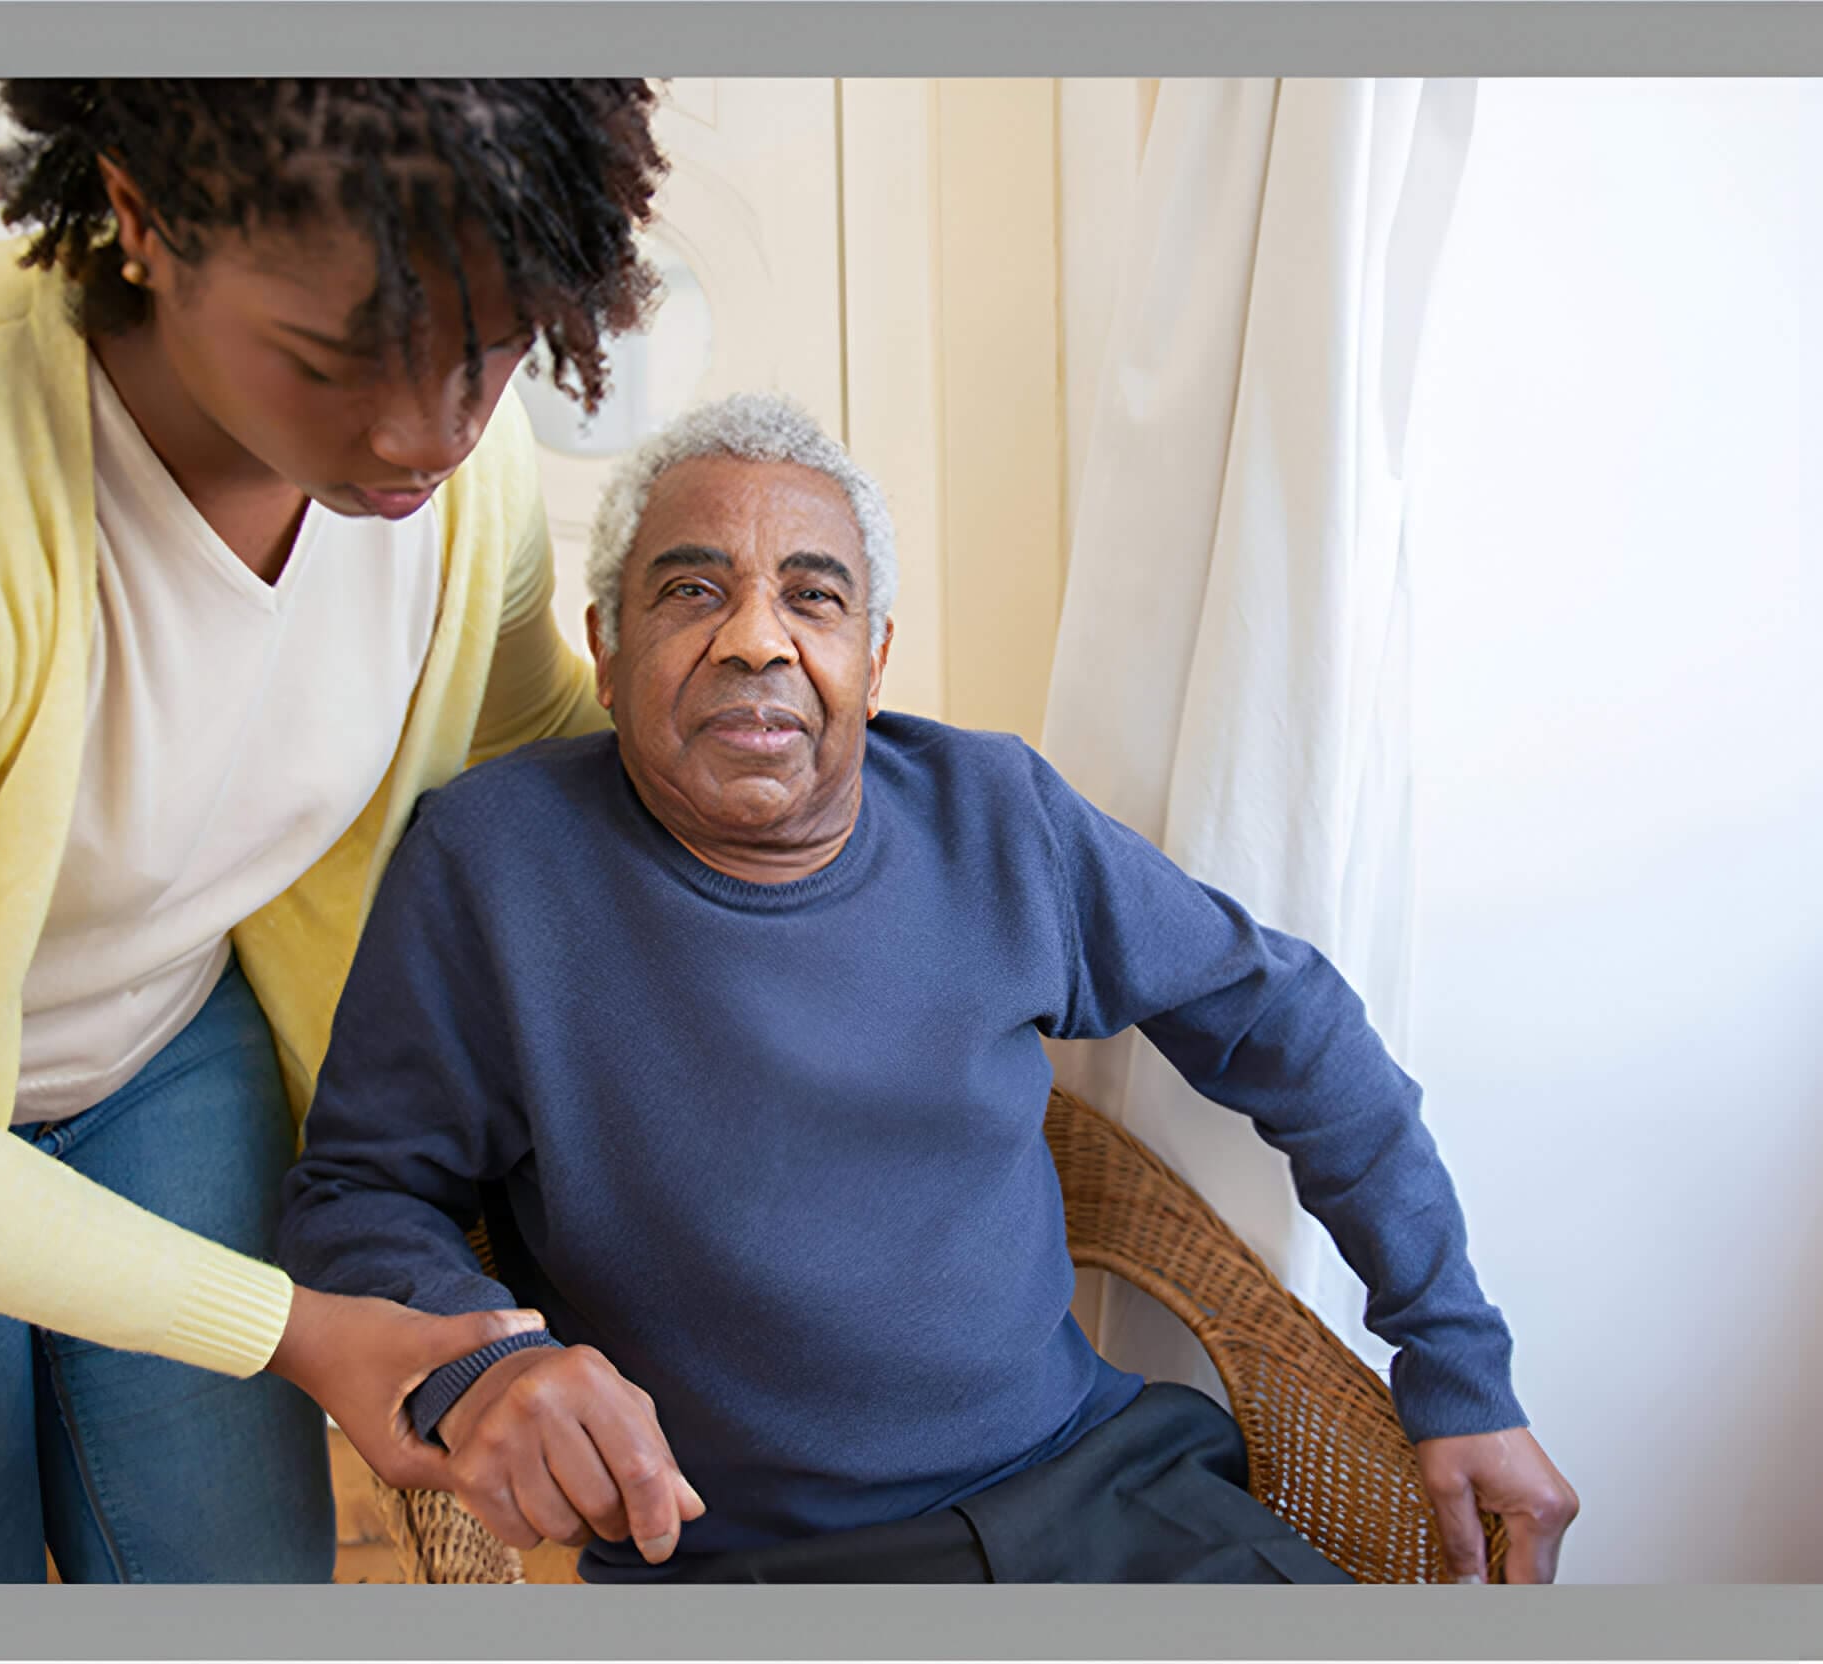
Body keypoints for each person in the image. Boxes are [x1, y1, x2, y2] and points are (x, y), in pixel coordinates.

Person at [276, 392, 1582, 1584]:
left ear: (877, 657)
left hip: (1105, 1494)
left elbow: (1290, 1024)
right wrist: (483, 1361)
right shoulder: (492, 865)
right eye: (691, 591)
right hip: (753, 1563)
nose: (755, 642)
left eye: (813, 597)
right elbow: (359, 1194)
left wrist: (1457, 1363)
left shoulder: (994, 813)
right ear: (606, 649)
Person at [0, 78, 670, 1583]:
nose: (426, 433)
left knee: (225, 1570)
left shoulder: (462, 482)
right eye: (332, 358)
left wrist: (851, 821)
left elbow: (526, 743)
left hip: (160, 1037)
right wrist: (290, 1332)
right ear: (144, 219)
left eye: (490, 357)